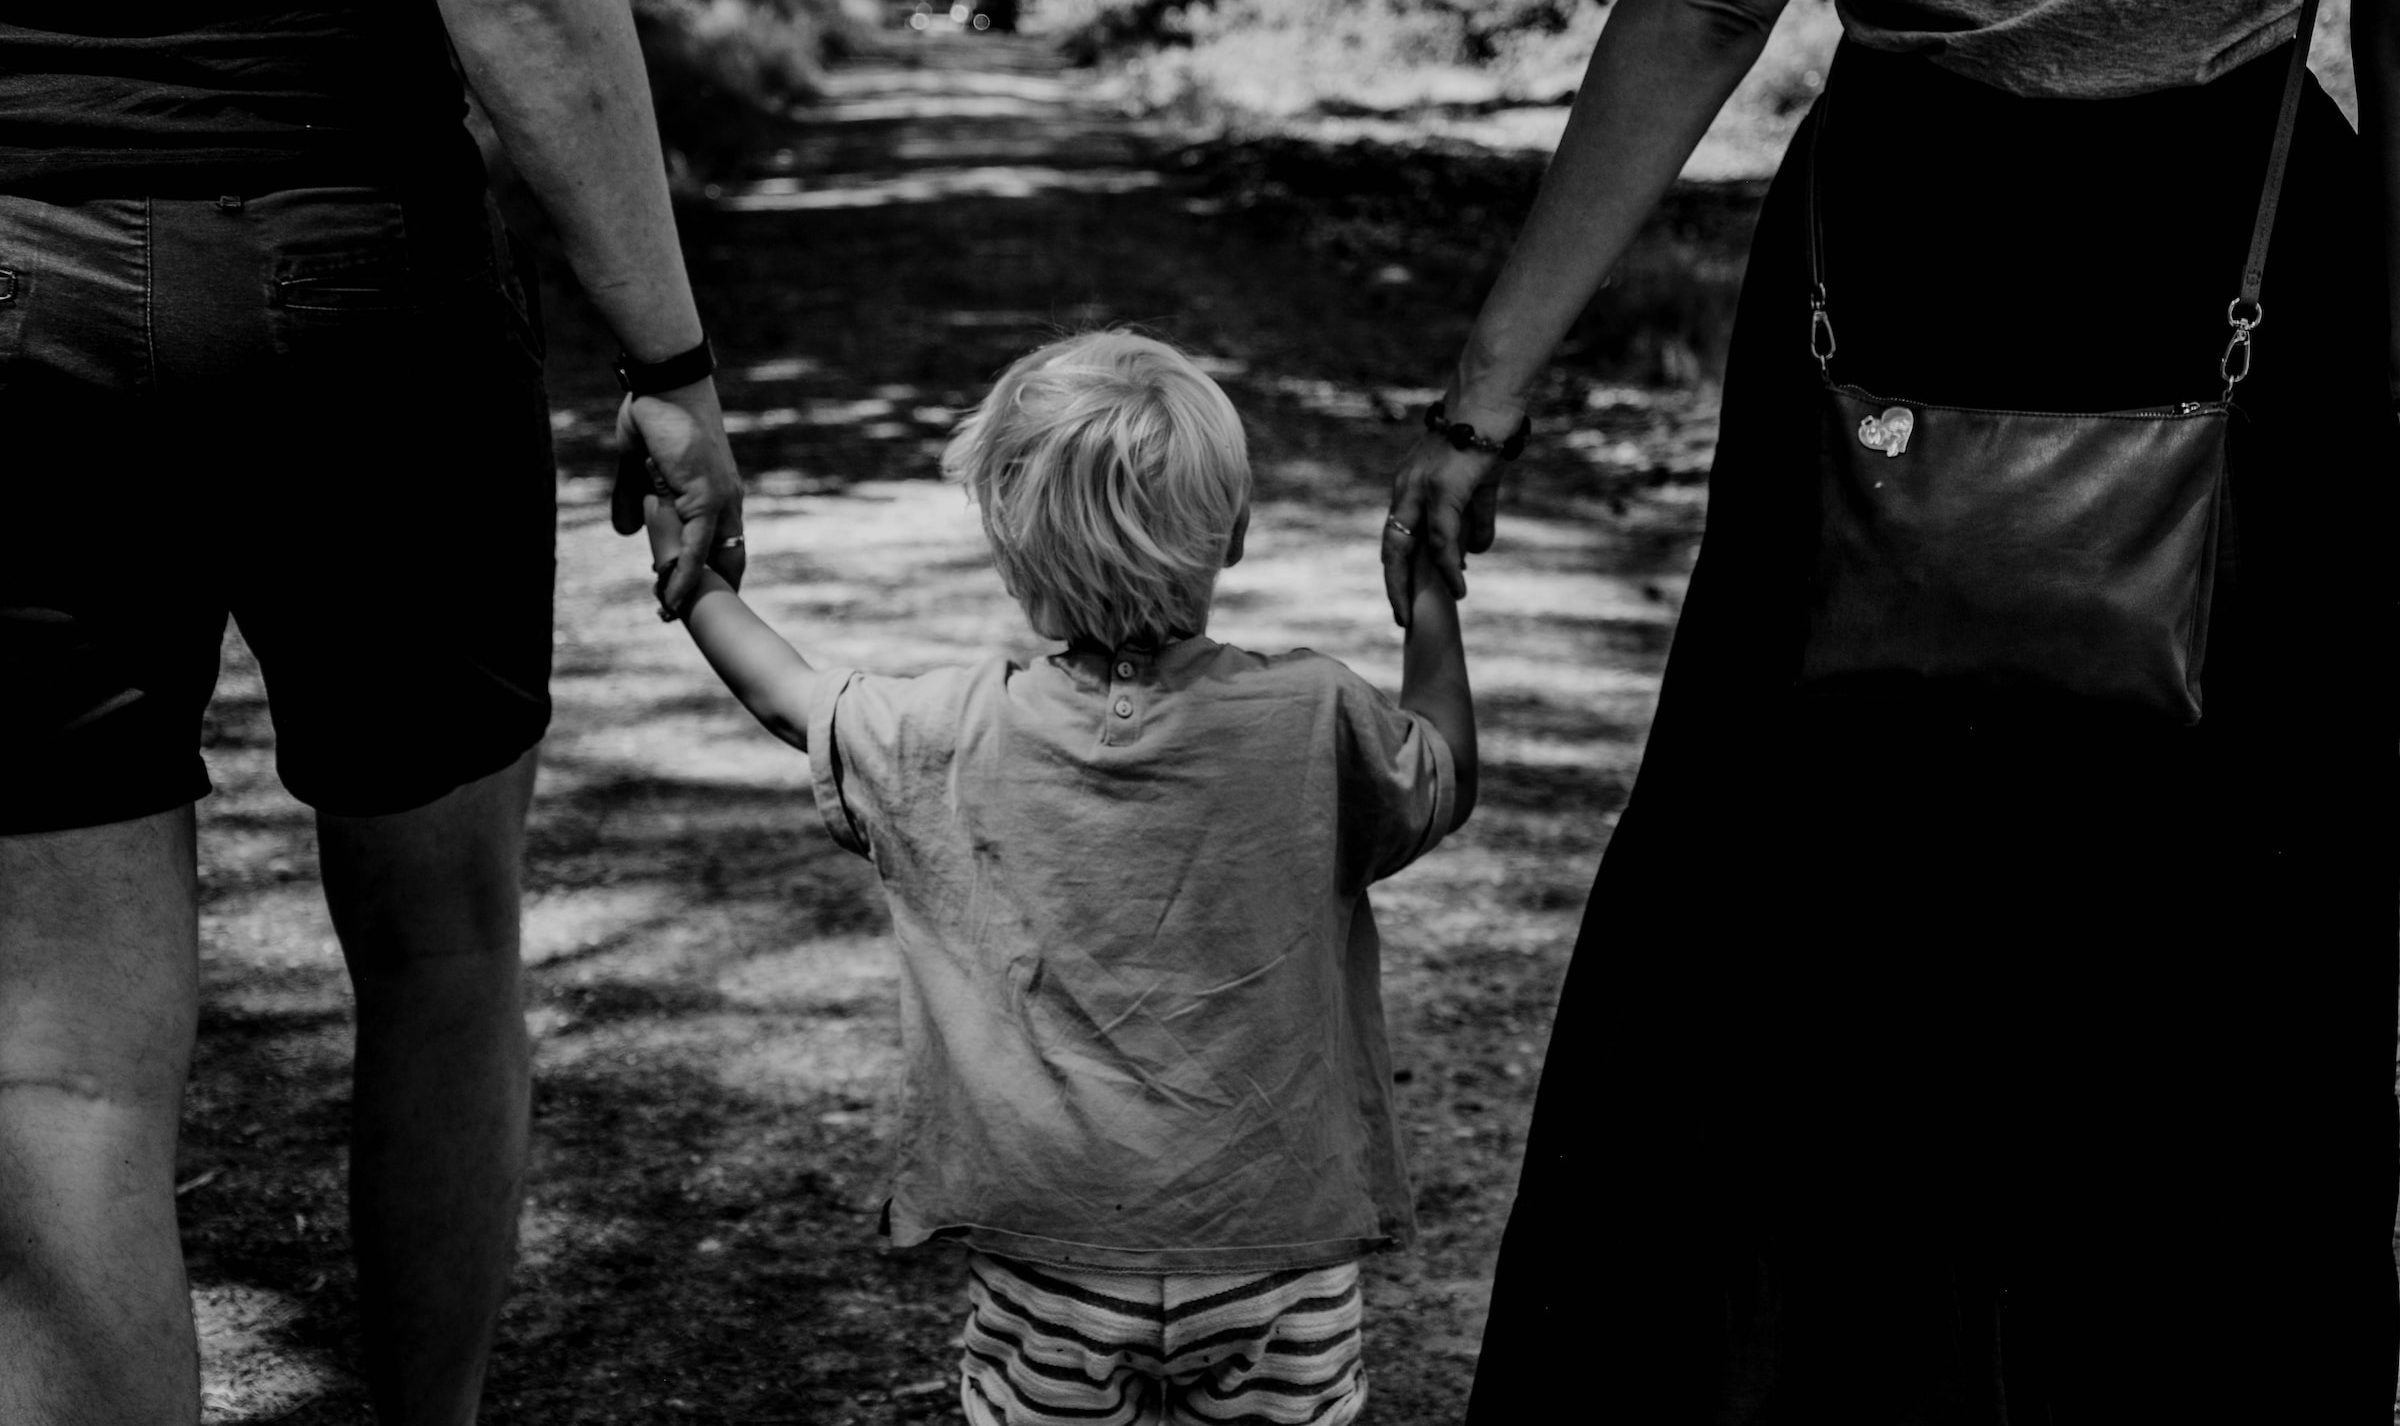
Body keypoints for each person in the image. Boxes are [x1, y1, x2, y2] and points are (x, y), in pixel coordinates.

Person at [1382, 0, 2400, 1420]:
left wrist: (1481, 406)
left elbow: (1707, 10)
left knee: (1810, 916)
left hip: (1917, 246)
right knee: (2207, 922)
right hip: (2244, 251)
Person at [0, 2, 744, 1422]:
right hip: (364, 282)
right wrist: (669, 363)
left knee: (58, 1069)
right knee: (445, 946)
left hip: (21, 278)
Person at [641, 330, 1477, 1426]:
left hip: (1052, 1254)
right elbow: (1446, 772)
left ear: (1009, 555)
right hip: (1277, 1247)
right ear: (1232, 535)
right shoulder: (1316, 716)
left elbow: (792, 697)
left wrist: (691, 576)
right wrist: (1431, 596)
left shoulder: (956, 729)